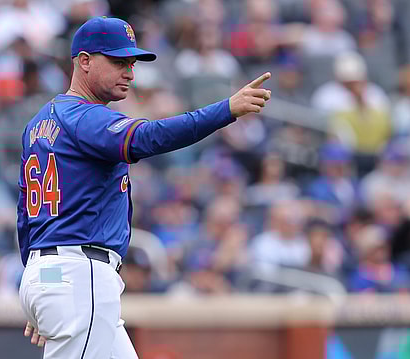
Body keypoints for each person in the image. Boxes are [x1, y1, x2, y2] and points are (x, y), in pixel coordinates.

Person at [17, 16, 271, 358]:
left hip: (50, 271)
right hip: (79, 273)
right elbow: (149, 137)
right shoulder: (85, 117)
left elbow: (25, 216)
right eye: (119, 61)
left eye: (131, 63)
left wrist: (40, 281)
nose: (130, 73)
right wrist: (225, 110)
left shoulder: (39, 123)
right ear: (84, 61)